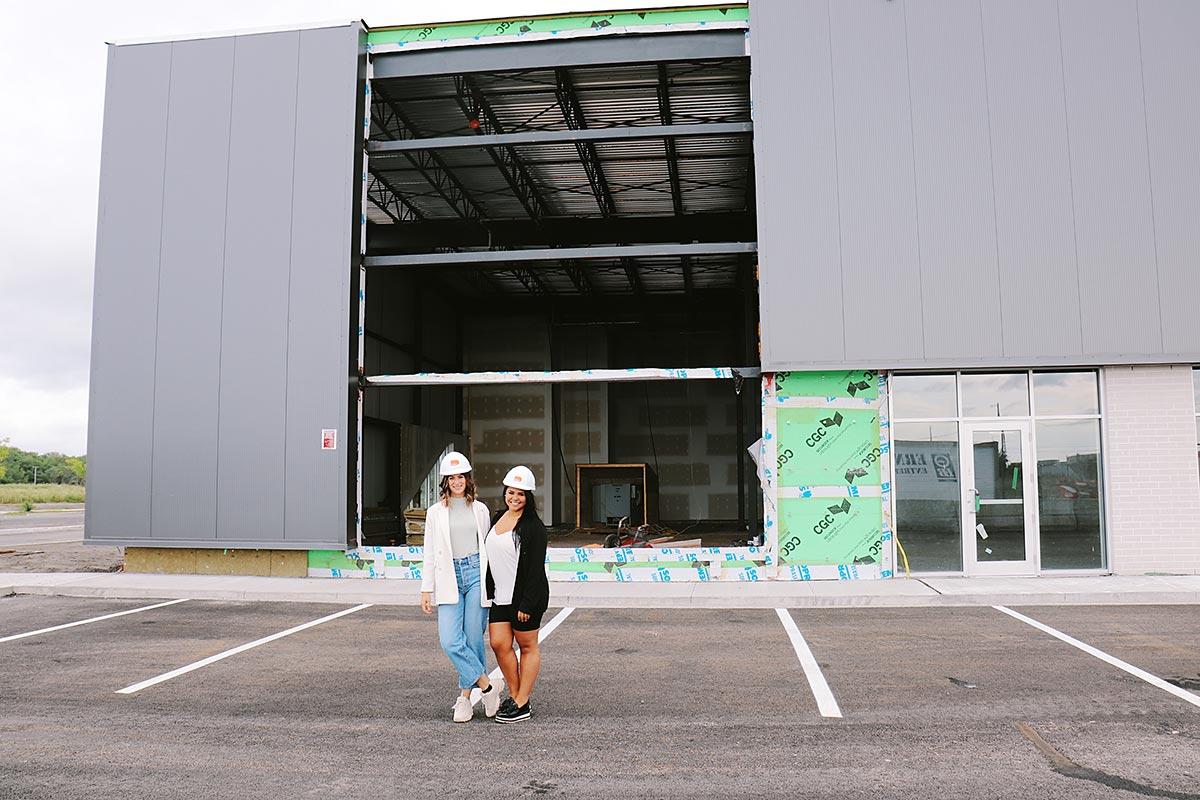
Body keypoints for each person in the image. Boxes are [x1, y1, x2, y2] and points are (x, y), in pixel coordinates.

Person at [420, 450, 502, 723]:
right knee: (450, 640)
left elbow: (488, 549)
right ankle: (487, 686)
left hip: (476, 572)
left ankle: (465, 700)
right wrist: (425, 588)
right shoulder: (434, 513)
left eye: (461, 477)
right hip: (448, 576)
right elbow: (430, 551)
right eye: (451, 478)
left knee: (473, 638)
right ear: (445, 481)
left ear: (468, 479)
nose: (457, 482)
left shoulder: (480, 509)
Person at [485, 465, 550, 724]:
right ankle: (515, 695)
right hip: (499, 595)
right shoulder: (497, 517)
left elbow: (535, 569)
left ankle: (522, 701)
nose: (515, 498)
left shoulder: (534, 527)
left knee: (527, 646)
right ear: (505, 492)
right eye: (511, 492)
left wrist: (527, 603)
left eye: (521, 494)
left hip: (524, 599)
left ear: (529, 497)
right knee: (499, 644)